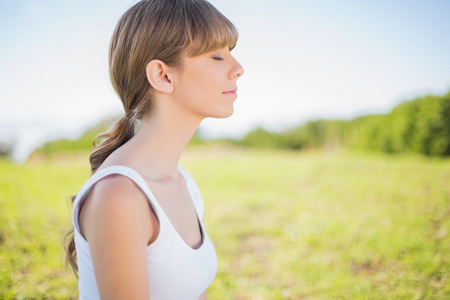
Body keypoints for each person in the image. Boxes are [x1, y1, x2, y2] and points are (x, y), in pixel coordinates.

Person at [63, 0, 244, 299]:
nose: (238, 69)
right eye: (216, 56)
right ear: (162, 75)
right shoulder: (120, 195)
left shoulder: (181, 180)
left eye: (230, 53)